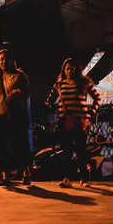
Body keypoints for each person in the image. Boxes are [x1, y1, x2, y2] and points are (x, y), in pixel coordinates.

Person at [47, 57, 101, 188]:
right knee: (67, 151)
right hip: (65, 121)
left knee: (81, 150)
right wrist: (55, 109)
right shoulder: (59, 85)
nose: (70, 71)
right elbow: (49, 101)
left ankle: (84, 179)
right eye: (67, 68)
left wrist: (92, 112)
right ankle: (66, 178)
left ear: (77, 70)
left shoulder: (84, 83)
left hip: (80, 121)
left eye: (72, 68)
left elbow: (97, 98)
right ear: (64, 70)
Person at [0, 48, 31, 186]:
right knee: (1, 147)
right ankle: (6, 177)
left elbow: (27, 93)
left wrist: (17, 92)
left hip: (15, 114)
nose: (4, 61)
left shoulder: (19, 76)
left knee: (18, 145)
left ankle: (26, 173)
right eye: (1, 59)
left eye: (6, 58)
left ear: (12, 60)